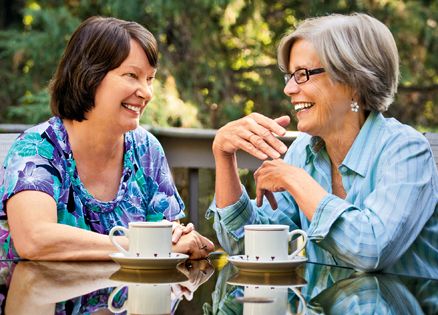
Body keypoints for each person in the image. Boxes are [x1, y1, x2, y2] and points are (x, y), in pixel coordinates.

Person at [207, 13, 438, 278]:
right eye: (290, 76)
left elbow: (372, 250)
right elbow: (247, 245)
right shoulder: (303, 153)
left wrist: (297, 181)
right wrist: (223, 156)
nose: (289, 89)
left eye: (303, 74)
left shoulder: (407, 151)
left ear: (352, 81)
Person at [0, 16, 214, 260]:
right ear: (89, 76)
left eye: (150, 79)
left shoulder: (147, 150)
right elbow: (34, 240)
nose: (146, 92)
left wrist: (177, 239)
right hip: (41, 295)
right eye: (131, 75)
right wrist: (139, 245)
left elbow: (170, 245)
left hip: (130, 296)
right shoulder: (38, 148)